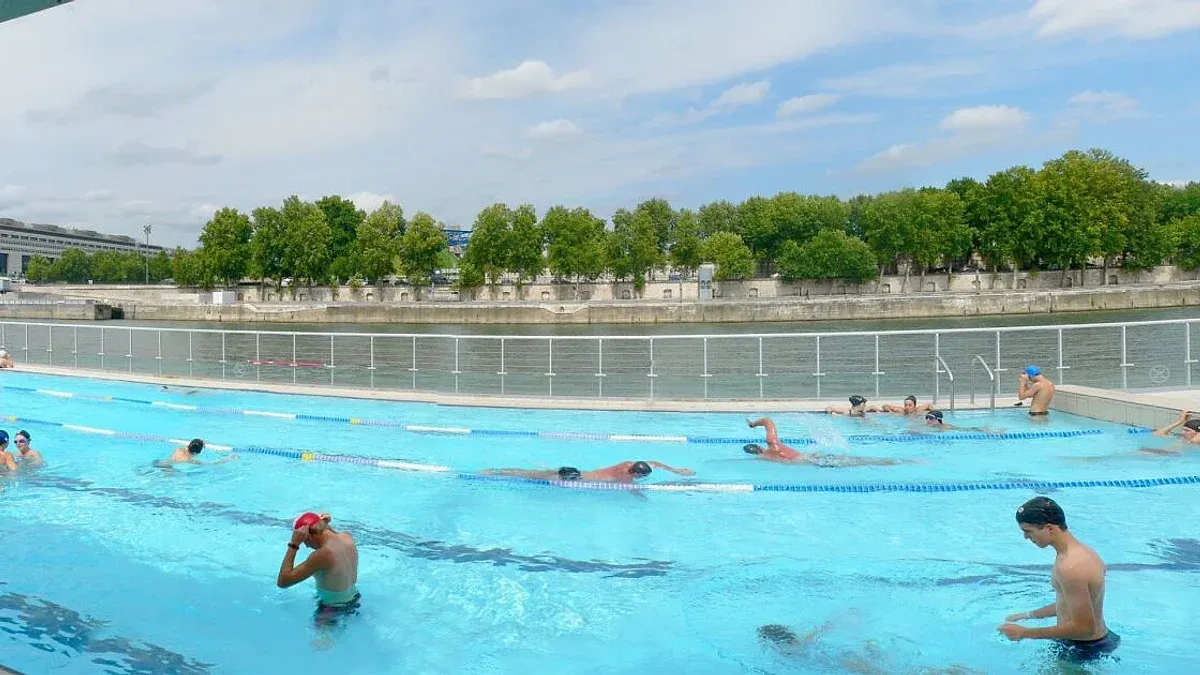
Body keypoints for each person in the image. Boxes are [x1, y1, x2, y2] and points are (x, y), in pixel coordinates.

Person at [998, 497, 1118, 664]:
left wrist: (1025, 633)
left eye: (1028, 531)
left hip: (1082, 650)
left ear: (1049, 528)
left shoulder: (1070, 567)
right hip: (1089, 642)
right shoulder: (1083, 553)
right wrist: (1029, 615)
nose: (1026, 537)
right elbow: (1072, 604)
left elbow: (1084, 628)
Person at [277, 512, 360, 625]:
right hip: (354, 598)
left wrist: (294, 544)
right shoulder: (347, 537)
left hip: (331, 610)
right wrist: (324, 524)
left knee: (319, 642)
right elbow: (329, 534)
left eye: (304, 541)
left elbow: (283, 582)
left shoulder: (323, 554)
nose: (306, 546)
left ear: (310, 535)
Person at [744, 417, 908, 467]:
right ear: (758, 446)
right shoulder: (772, 443)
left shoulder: (765, 459)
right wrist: (753, 424)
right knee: (857, 461)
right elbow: (767, 421)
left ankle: (891, 462)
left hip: (807, 465)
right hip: (809, 458)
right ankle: (896, 461)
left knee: (852, 464)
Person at [482, 460, 694, 484]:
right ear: (636, 473)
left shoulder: (628, 464)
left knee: (532, 473)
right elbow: (630, 489)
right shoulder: (625, 477)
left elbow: (654, 462)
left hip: (578, 471)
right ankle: (496, 473)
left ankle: (498, 469)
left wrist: (675, 469)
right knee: (531, 476)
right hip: (575, 477)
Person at [154, 438, 237, 467]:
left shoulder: (180, 448)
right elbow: (212, 464)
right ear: (199, 452)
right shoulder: (190, 460)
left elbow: (191, 445)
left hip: (159, 462)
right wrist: (229, 459)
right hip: (169, 468)